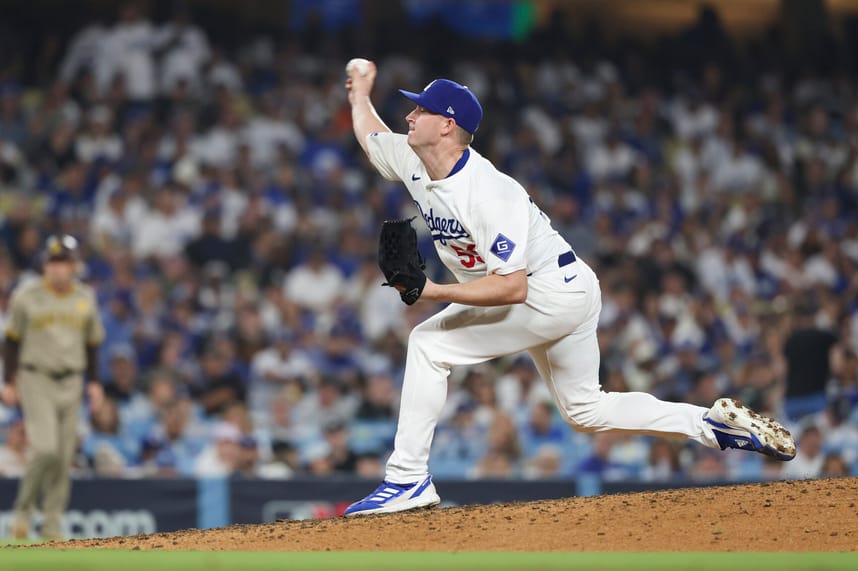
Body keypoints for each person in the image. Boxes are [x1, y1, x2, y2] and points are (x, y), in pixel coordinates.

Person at [341, 61, 797, 516]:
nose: (409, 117)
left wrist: (433, 293)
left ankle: (406, 479)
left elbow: (511, 288)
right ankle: (710, 425)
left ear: (447, 125)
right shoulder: (415, 160)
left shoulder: (488, 192)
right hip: (570, 285)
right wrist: (360, 94)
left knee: (427, 343)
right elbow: (372, 136)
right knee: (585, 411)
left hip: (547, 292)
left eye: (420, 110)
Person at [1, 234, 105, 538]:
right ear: (45, 264)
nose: (59, 268)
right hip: (36, 377)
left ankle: (52, 526)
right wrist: (9, 381)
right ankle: (22, 513)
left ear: (74, 265)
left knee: (63, 456)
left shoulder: (85, 297)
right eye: (54, 261)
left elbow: (93, 344)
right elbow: (11, 341)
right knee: (45, 448)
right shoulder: (26, 295)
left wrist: (95, 384)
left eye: (64, 262)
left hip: (72, 379)